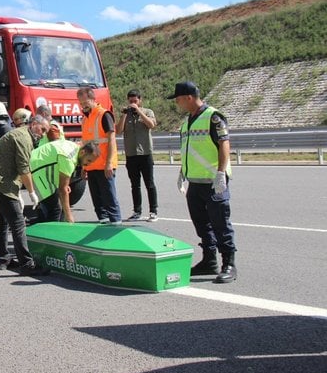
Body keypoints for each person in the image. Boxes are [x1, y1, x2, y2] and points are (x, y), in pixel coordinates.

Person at [167, 81, 237, 283]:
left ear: (188, 97)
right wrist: (182, 172)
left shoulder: (213, 117)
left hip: (213, 181)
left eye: (178, 99)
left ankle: (229, 264)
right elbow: (190, 149)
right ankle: (209, 261)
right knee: (202, 224)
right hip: (195, 182)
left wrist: (221, 173)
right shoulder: (188, 120)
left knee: (220, 223)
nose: (177, 103)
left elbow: (224, 144)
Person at [0, 114, 50, 275]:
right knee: (18, 223)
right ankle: (27, 263)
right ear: (34, 124)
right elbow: (24, 169)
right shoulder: (24, 138)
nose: (43, 134)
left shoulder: (22, 134)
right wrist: (31, 193)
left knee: (3, 222)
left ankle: (4, 259)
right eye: (42, 129)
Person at [30, 124, 100, 223]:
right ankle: (51, 236)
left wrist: (64, 185)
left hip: (37, 167)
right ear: (83, 152)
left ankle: (40, 229)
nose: (87, 164)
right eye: (88, 160)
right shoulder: (69, 158)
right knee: (55, 210)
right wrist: (69, 216)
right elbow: (63, 190)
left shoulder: (73, 147)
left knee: (55, 206)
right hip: (36, 171)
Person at [76, 87, 122, 224]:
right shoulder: (85, 119)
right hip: (91, 166)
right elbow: (85, 145)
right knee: (98, 203)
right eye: (80, 103)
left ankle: (116, 225)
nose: (83, 105)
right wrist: (83, 167)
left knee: (110, 200)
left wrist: (109, 163)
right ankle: (103, 223)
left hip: (104, 165)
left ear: (92, 99)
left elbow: (111, 140)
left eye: (85, 102)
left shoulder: (104, 115)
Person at [115, 89, 159, 222]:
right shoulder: (126, 115)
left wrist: (139, 111)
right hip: (131, 154)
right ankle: (137, 211)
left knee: (149, 183)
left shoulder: (147, 112)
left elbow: (151, 125)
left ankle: (153, 211)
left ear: (140, 100)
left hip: (145, 153)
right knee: (135, 185)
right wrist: (124, 114)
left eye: (135, 101)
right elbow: (118, 131)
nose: (133, 103)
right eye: (130, 101)